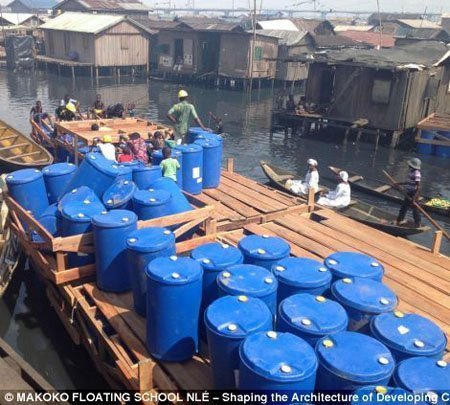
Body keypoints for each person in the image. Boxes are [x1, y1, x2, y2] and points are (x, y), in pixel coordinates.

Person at [395, 158, 422, 227]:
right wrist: (399, 183)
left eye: (410, 165)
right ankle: (399, 220)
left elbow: (418, 187)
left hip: (414, 193)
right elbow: (408, 182)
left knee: (415, 209)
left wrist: (413, 198)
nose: (409, 165)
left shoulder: (417, 174)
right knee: (404, 207)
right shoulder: (411, 172)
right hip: (408, 192)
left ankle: (418, 223)